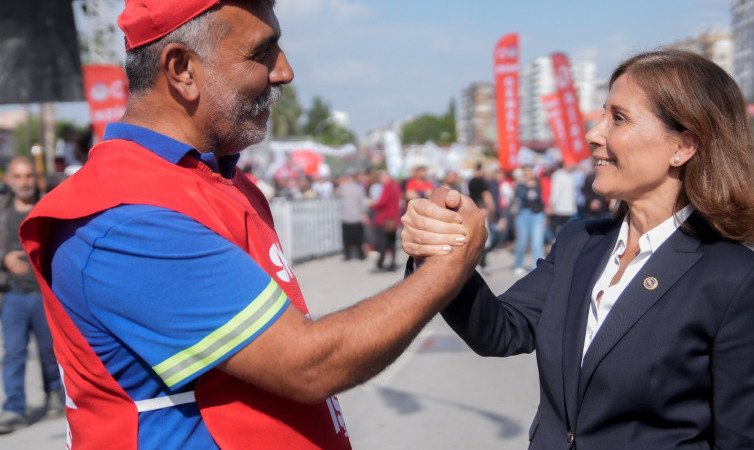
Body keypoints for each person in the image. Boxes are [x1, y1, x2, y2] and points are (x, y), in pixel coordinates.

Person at [18, 1, 486, 448]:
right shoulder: (120, 218)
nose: (284, 71)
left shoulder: (220, 178)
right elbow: (308, 364)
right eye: (261, 52)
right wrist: (445, 269)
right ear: (182, 70)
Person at [401, 49, 754, 448]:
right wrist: (443, 250)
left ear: (682, 146)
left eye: (618, 118)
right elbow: (501, 330)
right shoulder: (579, 242)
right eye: (604, 114)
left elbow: (747, 440)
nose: (594, 134)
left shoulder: (735, 279)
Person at [0, 157, 64, 433]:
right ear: (9, 180)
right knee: (13, 353)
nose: (23, 182)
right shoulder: (2, 211)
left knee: (50, 351)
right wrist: (4, 258)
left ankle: (55, 396)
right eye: (18, 177)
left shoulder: (49, 203)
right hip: (13, 294)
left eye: (28, 176)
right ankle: (14, 408)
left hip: (44, 292)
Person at [511, 165, 545, 276]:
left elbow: (542, 198)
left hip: (537, 214)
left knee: (537, 241)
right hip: (523, 214)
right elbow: (517, 198)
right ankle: (518, 264)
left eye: (529, 171)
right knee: (522, 240)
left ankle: (537, 266)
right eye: (525, 171)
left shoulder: (538, 183)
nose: (528, 173)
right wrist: (524, 184)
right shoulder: (520, 184)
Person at [369, 170, 402, 271]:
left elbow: (382, 202)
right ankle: (391, 262)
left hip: (385, 218)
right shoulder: (395, 186)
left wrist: (371, 204)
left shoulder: (389, 187)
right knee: (391, 242)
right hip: (393, 218)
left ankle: (381, 262)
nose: (380, 180)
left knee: (383, 241)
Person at [336, 169, 367, 260]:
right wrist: (364, 213)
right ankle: (360, 254)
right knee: (359, 237)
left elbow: (336, 194)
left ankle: (347, 254)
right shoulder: (359, 188)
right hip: (357, 217)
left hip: (346, 216)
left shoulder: (343, 188)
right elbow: (362, 203)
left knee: (347, 238)